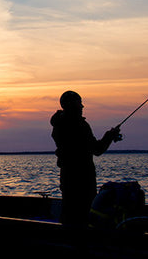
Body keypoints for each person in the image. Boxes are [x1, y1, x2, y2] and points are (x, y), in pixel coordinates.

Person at [50, 91, 121, 226]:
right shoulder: (79, 125)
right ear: (72, 105)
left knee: (70, 213)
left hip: (67, 177)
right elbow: (97, 149)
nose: (82, 106)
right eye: (79, 103)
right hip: (83, 178)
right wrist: (109, 136)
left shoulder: (59, 125)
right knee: (83, 215)